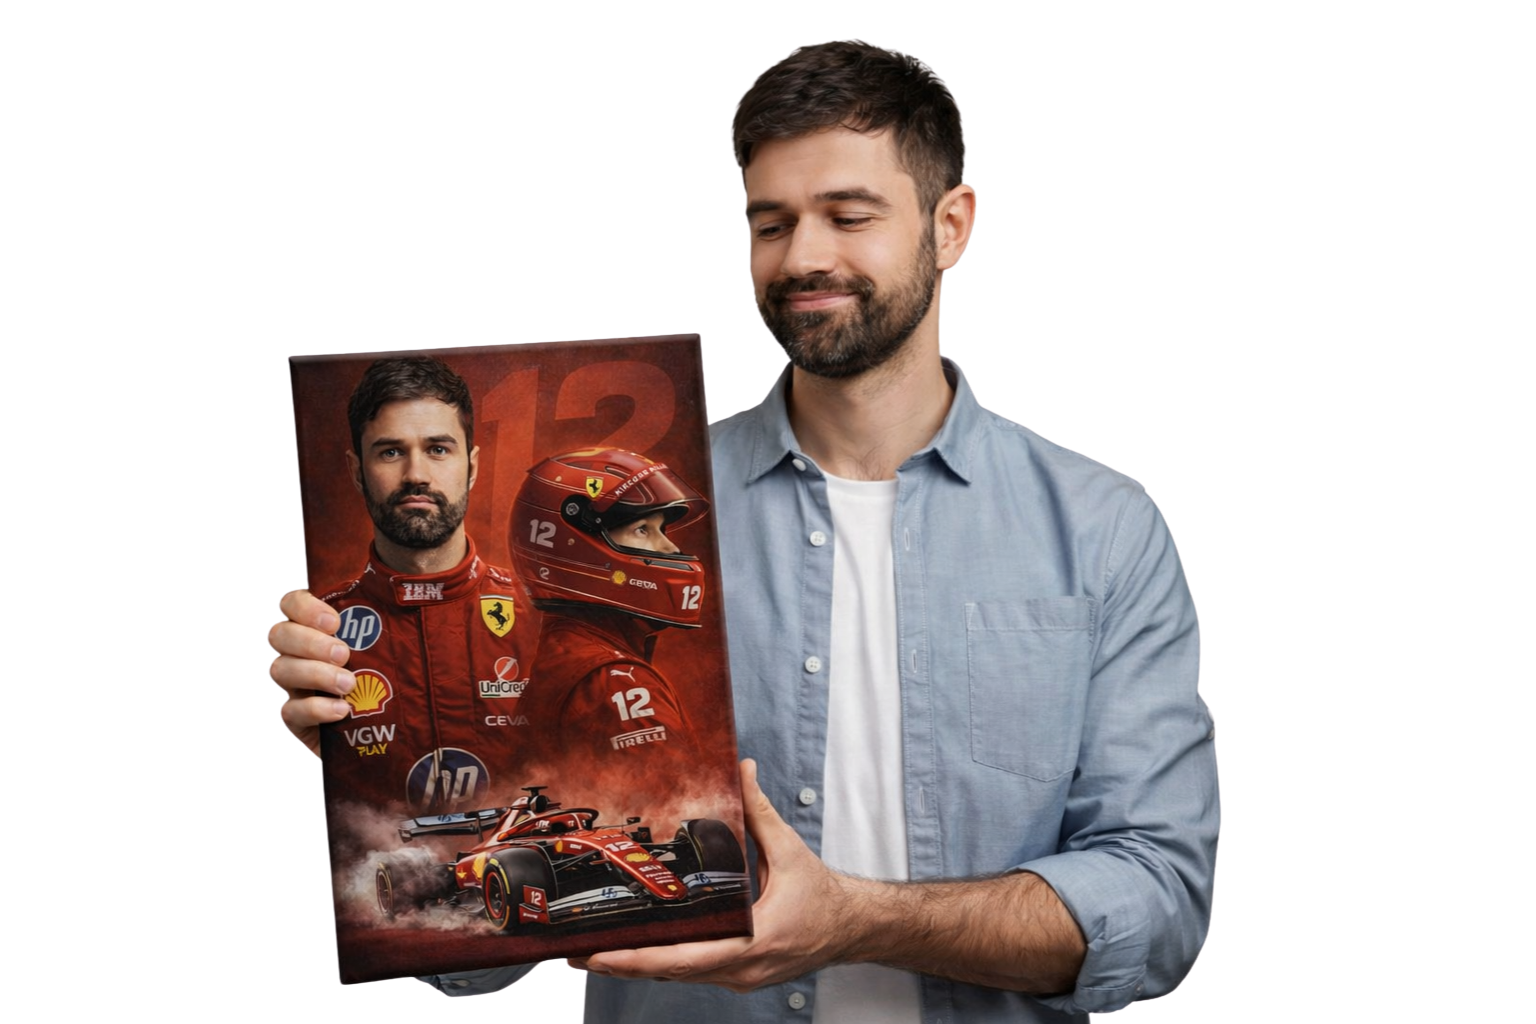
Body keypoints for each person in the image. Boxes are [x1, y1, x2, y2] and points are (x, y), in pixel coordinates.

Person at [271, 40, 1218, 1021]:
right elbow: (477, 958)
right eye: (772, 223)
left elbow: (1159, 905)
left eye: (848, 215)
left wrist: (853, 919)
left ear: (951, 226)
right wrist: (378, 777)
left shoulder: (1104, 530)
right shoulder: (609, 536)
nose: (803, 256)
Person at [313, 356, 533, 813]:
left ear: (471, 466)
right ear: (357, 471)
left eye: (438, 449)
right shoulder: (315, 635)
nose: (416, 475)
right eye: (391, 451)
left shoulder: (545, 616)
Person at [508, 448, 712, 783]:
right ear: (574, 544)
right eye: (643, 530)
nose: (671, 549)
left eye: (662, 530)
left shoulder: (567, 653)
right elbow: (670, 817)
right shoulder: (612, 681)